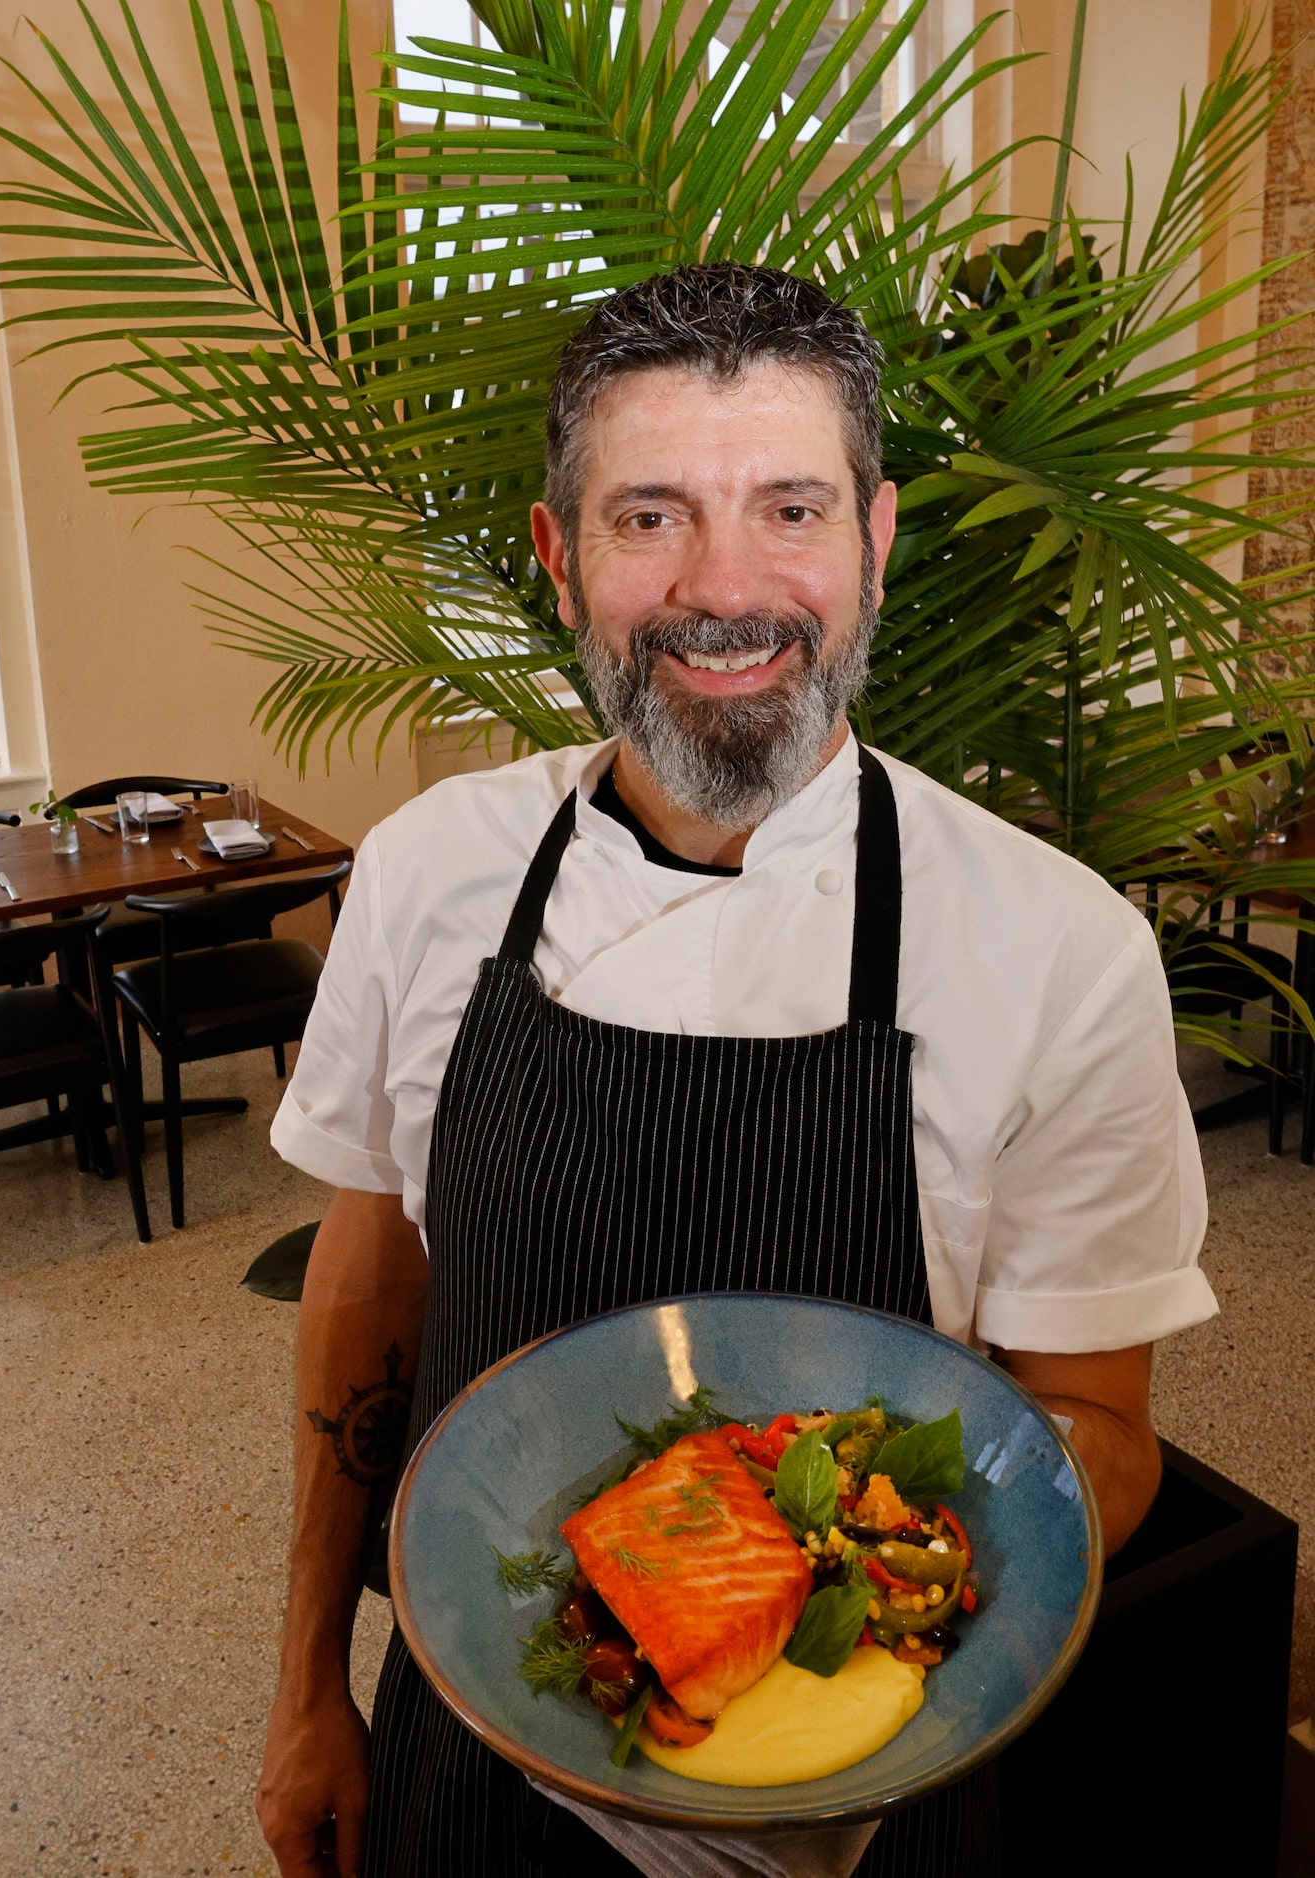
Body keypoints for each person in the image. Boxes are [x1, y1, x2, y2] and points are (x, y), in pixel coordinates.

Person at [253, 263, 1213, 1878]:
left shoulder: (1058, 946)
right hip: (477, 1744)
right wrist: (303, 1688)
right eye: (649, 517)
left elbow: (1095, 1423)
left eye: (790, 507)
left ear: (876, 541)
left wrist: (830, 1615)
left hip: (868, 1779)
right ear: (561, 560)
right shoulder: (429, 874)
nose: (724, 587)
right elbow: (369, 1277)